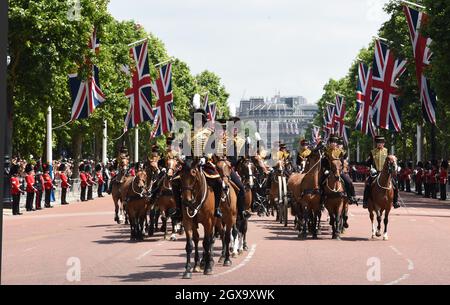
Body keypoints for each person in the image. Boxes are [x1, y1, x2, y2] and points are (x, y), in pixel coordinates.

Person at [363, 135, 399, 209]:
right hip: (375, 172)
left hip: (385, 172)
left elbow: (391, 161)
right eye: (378, 142)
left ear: (383, 144)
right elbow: (368, 163)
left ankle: (395, 201)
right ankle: (365, 201)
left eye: (381, 142)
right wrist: (370, 168)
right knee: (368, 184)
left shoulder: (387, 151)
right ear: (376, 144)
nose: (379, 144)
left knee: (395, 184)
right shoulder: (372, 152)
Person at [320, 135, 357, 206]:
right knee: (320, 182)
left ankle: (351, 196)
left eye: (335, 142)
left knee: (349, 182)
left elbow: (342, 163)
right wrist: (325, 169)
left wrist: (340, 169)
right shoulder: (326, 152)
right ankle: (321, 199)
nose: (333, 144)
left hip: (339, 171)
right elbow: (323, 163)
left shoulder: (340, 152)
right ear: (329, 143)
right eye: (332, 142)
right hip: (329, 171)